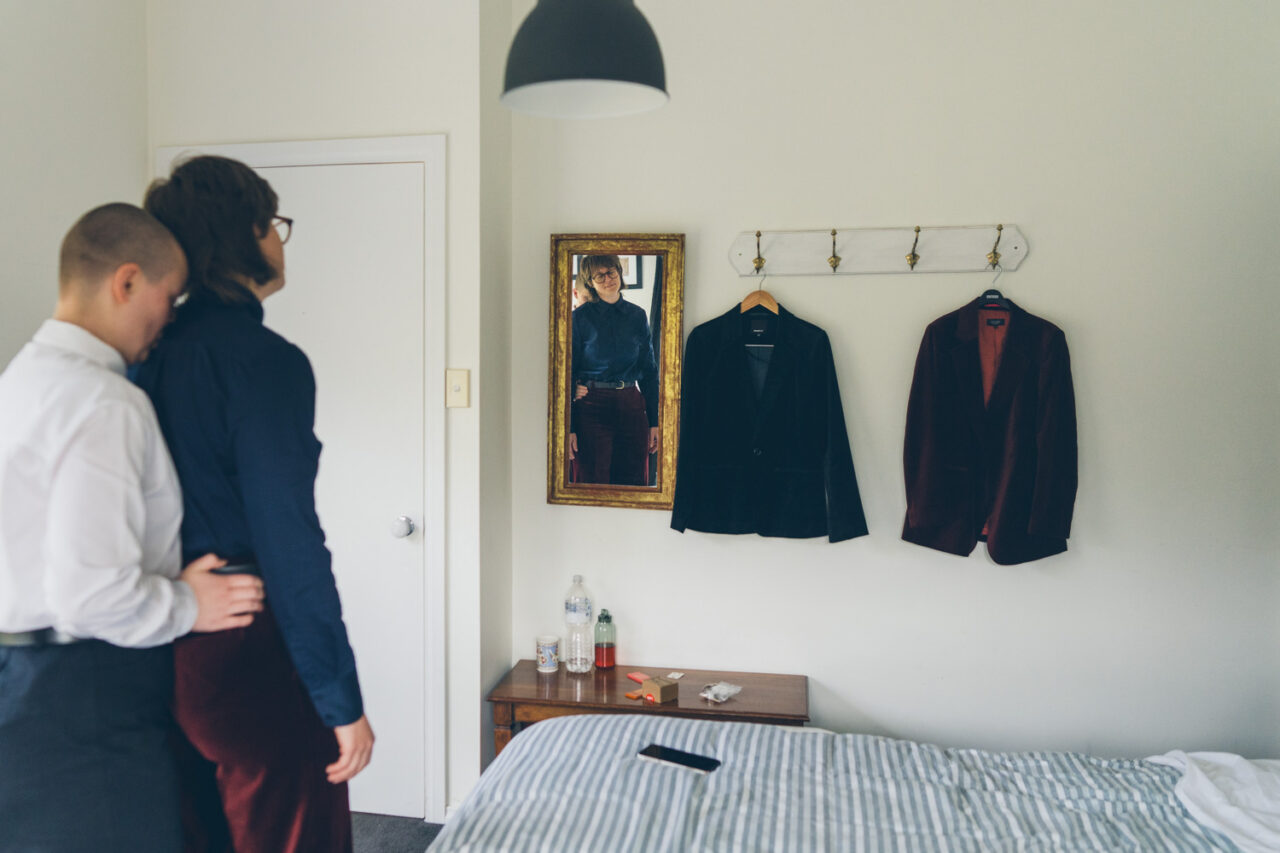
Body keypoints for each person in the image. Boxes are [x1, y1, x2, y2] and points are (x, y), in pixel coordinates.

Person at [0, 203, 265, 853]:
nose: (170, 317)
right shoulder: (103, 402)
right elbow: (90, 595)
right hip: (82, 696)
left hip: (21, 683)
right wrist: (188, 602)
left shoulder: (21, 380)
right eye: (168, 295)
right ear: (125, 282)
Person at [134, 155, 373, 853]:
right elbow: (290, 540)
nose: (278, 239)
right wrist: (341, 699)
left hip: (166, 643)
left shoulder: (147, 357)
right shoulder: (266, 363)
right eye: (273, 222)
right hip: (247, 643)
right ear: (244, 234)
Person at [569, 255, 660, 485]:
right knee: (592, 480)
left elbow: (648, 370)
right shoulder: (579, 319)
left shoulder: (637, 316)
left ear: (620, 272)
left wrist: (655, 421)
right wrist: (568, 426)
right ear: (590, 281)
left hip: (631, 403)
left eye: (612, 272)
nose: (607, 279)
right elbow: (566, 369)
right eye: (599, 275)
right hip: (591, 406)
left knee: (633, 481)